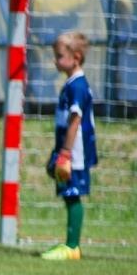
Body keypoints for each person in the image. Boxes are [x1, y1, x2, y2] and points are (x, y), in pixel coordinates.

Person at [41, 31, 96, 261]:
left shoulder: (78, 87)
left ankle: (72, 247)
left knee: (73, 193)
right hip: (67, 149)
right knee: (67, 192)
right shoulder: (72, 84)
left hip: (75, 152)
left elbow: (75, 120)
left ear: (76, 57)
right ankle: (70, 244)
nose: (55, 60)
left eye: (59, 56)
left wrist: (65, 153)